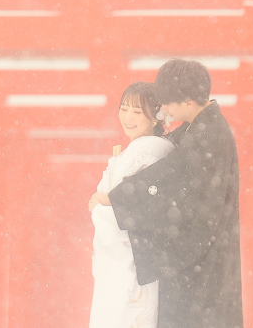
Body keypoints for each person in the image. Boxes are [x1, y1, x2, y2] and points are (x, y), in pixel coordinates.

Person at [90, 59, 243, 328]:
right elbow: (175, 171)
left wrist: (118, 199)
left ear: (187, 101)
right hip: (203, 259)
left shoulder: (210, 135)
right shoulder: (198, 127)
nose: (166, 111)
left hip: (204, 263)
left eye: (168, 103)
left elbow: (177, 182)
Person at [88, 82, 175, 328]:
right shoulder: (141, 151)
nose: (128, 117)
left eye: (137, 112)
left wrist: (100, 206)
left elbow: (132, 208)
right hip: (129, 258)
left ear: (156, 117)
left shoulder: (146, 154)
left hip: (132, 259)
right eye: (124, 109)